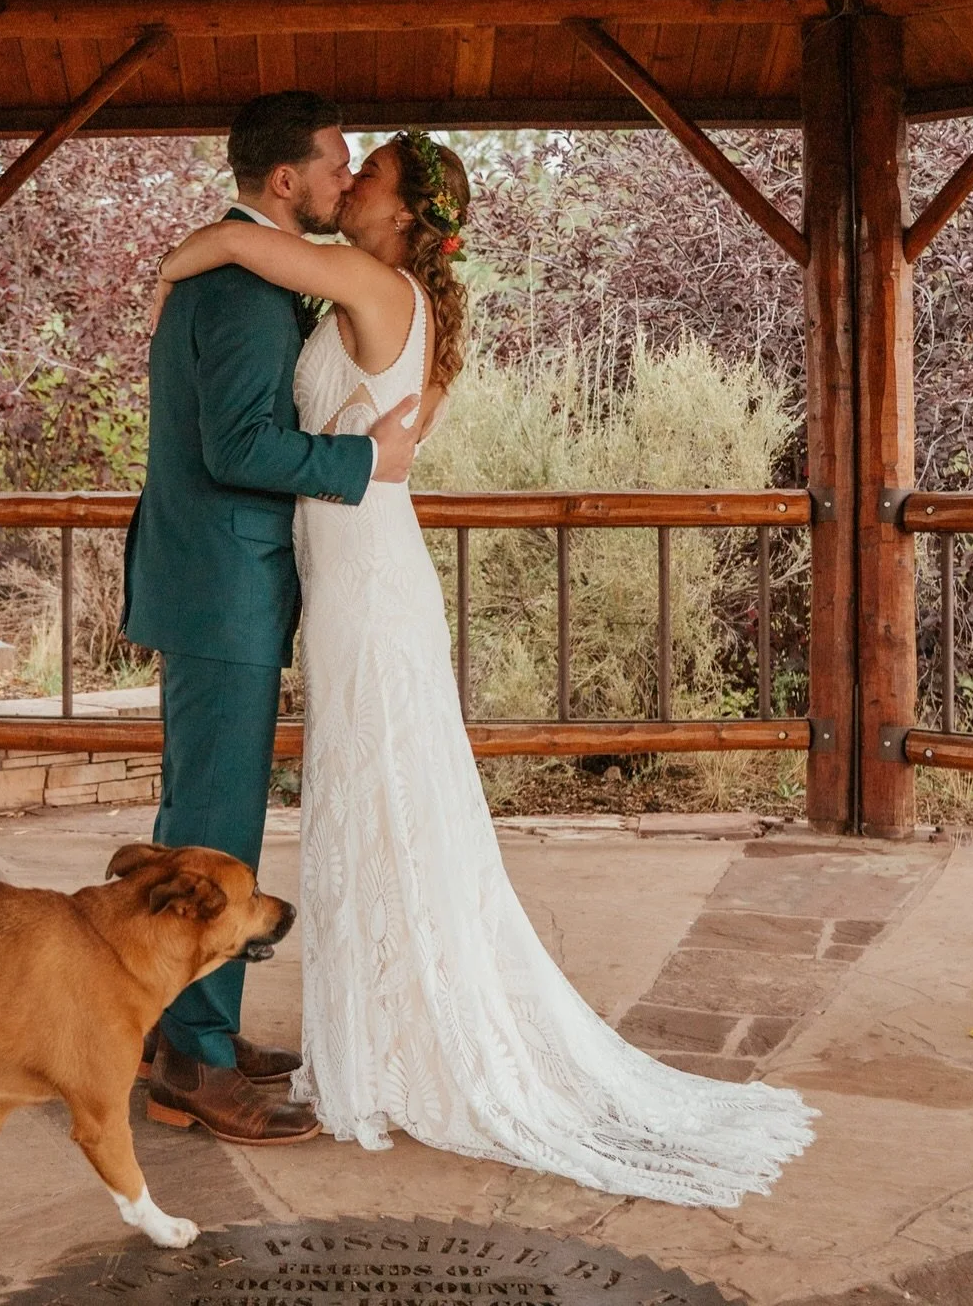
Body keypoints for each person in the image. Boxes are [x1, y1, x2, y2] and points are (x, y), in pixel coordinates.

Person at [153, 119, 817, 1207]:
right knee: (369, 805)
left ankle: (292, 1039)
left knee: (382, 804)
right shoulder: (364, 287)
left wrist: (178, 260)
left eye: (366, 170)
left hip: (364, 587)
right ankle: (250, 1037)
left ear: (405, 212)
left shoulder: (369, 283)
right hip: (341, 580)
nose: (349, 177)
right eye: (343, 162)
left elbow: (236, 242)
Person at [122, 91, 422, 1147]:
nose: (346, 177)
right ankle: (195, 1061)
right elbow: (239, 447)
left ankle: (172, 1026)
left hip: (214, 578)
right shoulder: (246, 292)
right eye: (336, 162)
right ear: (286, 179)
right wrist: (364, 459)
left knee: (199, 816)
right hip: (224, 587)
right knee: (217, 830)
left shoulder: (239, 273)